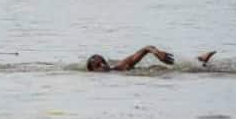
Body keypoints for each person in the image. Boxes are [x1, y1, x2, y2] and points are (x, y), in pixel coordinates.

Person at [86, 46, 216, 72]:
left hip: (157, 71)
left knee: (183, 70)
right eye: (98, 65)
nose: (103, 65)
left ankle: (199, 61)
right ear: (92, 71)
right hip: (155, 71)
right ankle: (200, 60)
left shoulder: (120, 67)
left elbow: (146, 48)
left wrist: (157, 53)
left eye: (103, 62)